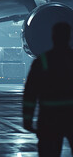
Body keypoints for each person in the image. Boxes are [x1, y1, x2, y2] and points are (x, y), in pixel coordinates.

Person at [23, 22, 73, 157]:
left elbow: (30, 94)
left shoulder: (43, 61)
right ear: (69, 37)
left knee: (49, 153)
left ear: (53, 37)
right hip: (70, 117)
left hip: (49, 118)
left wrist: (27, 119)